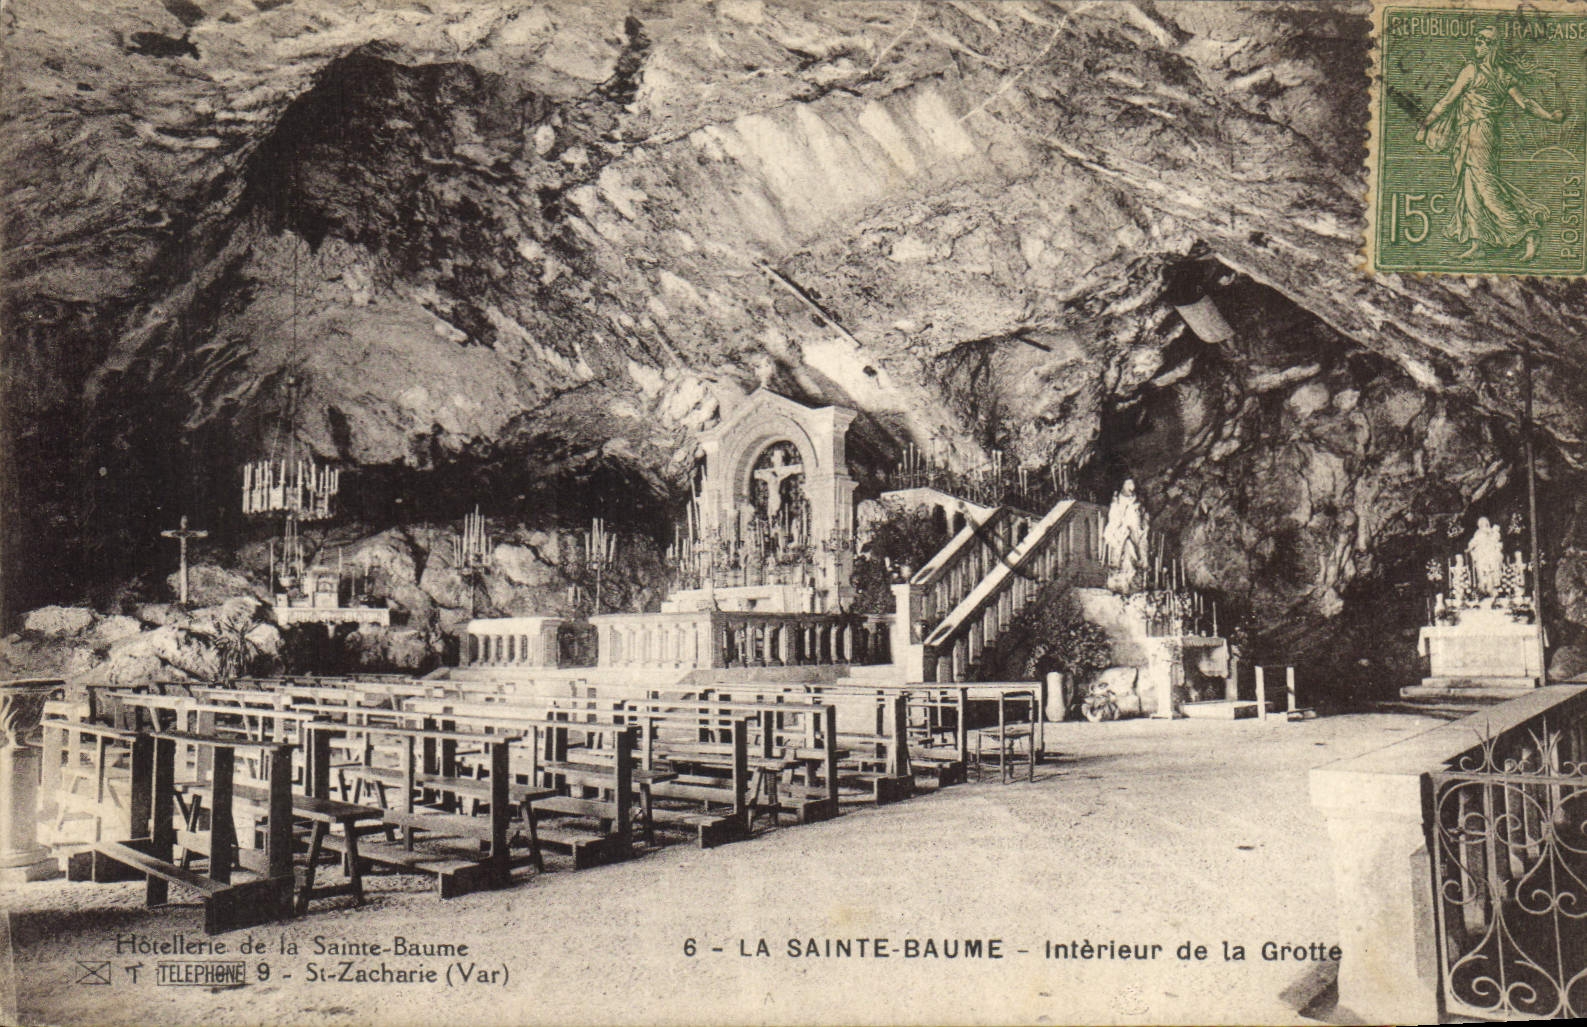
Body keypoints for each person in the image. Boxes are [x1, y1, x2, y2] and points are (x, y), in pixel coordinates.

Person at [1417, 26, 1564, 261]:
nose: (1478, 45)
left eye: (1483, 41)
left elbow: (1449, 100)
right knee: (1469, 186)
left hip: (1481, 132)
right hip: (1472, 132)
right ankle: (1478, 243)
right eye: (1477, 40)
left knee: (1485, 186)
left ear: (1492, 47)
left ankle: (1528, 232)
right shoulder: (1492, 73)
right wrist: (1548, 116)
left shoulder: (1480, 73)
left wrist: (1426, 124)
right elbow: (1524, 102)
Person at [1104, 479, 1149, 590]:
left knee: (1135, 552)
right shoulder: (1116, 502)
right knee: (1120, 552)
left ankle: (1134, 579)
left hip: (1135, 534)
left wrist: (1142, 526)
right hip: (1120, 533)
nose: (1131, 486)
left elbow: (1141, 522)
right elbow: (1113, 520)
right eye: (1128, 483)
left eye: (1132, 483)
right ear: (1122, 485)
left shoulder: (1138, 503)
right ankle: (1119, 579)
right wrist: (1121, 530)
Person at [1465, 516, 1505, 595]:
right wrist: (1470, 548)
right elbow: (1473, 542)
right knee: (1482, 571)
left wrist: (1492, 535)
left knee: (1492, 571)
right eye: (1482, 524)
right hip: (1481, 556)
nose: (1484, 526)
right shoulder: (1478, 534)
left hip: (1491, 555)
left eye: (1486, 524)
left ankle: (1492, 588)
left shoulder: (1492, 533)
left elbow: (1497, 541)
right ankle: (1483, 588)